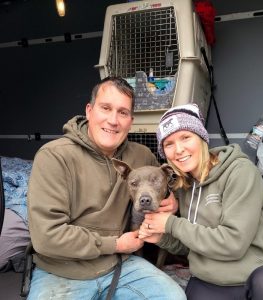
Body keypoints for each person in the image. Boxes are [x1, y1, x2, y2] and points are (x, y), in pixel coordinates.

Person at [27, 76, 186, 300]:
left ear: (131, 120)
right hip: (62, 270)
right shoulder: (54, 156)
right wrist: (116, 244)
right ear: (89, 111)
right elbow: (46, 236)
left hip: (121, 265)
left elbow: (167, 183)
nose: (113, 120)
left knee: (173, 297)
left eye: (122, 112)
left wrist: (172, 200)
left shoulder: (141, 156)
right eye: (106, 108)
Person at [139, 103, 263, 300]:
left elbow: (233, 243)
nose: (178, 149)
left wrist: (171, 223)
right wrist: (162, 238)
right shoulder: (184, 187)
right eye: (169, 144)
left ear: (201, 138)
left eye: (185, 137)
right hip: (211, 279)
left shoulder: (240, 171)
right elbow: (195, 244)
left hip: (257, 273)